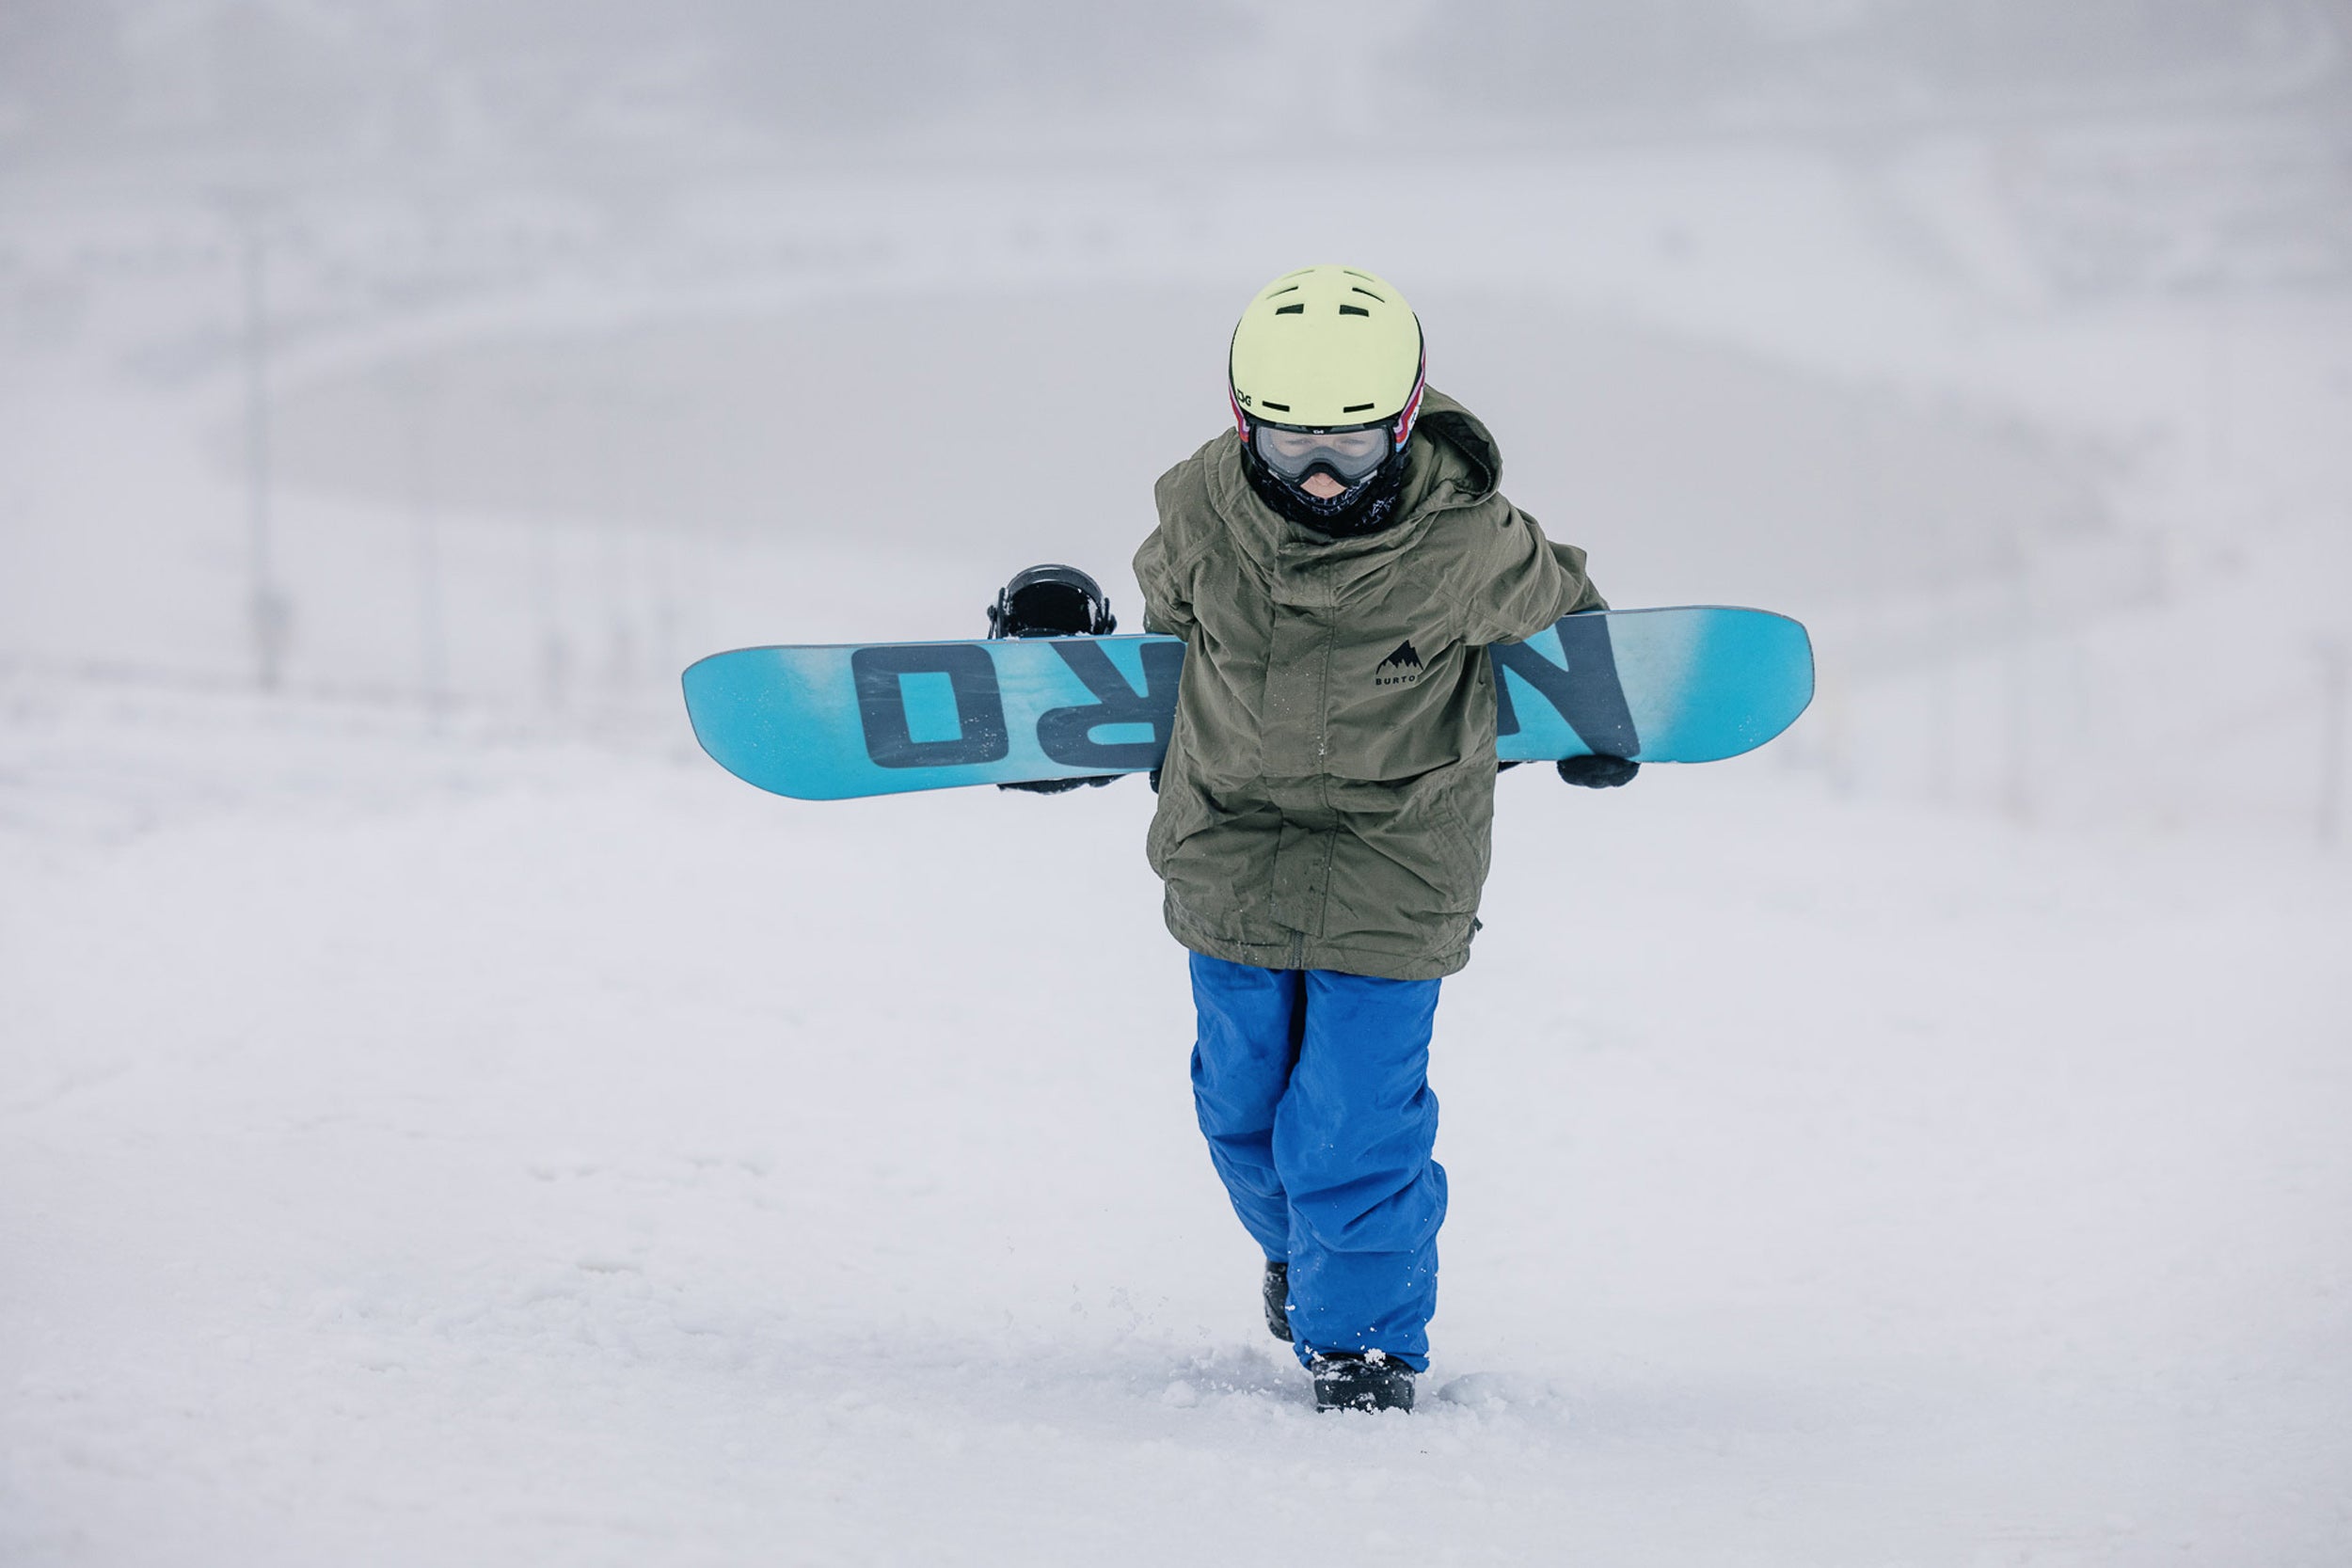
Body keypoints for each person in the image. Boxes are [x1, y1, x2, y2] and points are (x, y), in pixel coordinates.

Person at [999, 263, 1634, 1413]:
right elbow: (1167, 650)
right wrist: (1057, 684)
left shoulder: (1467, 543)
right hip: (1230, 840)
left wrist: (1596, 713)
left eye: (1351, 441)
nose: (1323, 473)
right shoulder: (1198, 511)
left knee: (1351, 1122)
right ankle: (1303, 1256)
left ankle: (1365, 1341)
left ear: (1405, 419)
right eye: (1292, 444)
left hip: (1400, 854)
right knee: (1238, 1109)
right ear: (1245, 423)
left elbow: (1565, 606)